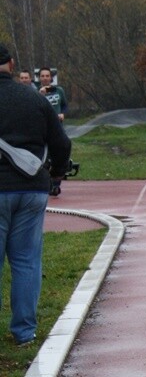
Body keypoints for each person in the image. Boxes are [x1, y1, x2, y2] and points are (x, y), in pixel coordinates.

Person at [0, 44, 72, 346]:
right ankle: (24, 332)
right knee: (27, 261)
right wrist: (56, 174)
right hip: (32, 188)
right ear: (12, 64)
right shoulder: (34, 98)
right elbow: (62, 144)